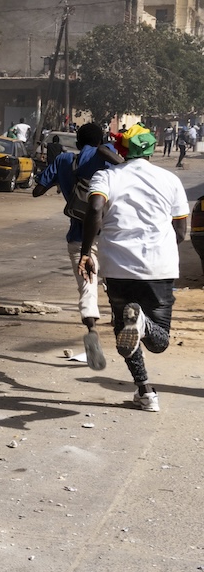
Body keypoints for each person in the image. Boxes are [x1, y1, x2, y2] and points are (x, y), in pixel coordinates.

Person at [77, 126, 189, 412]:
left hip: (118, 266)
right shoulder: (170, 179)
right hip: (160, 267)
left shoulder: (106, 176)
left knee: (123, 330)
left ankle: (145, 390)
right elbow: (180, 230)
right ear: (151, 149)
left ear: (121, 150)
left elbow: (94, 210)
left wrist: (86, 252)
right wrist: (161, 249)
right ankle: (143, 329)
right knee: (158, 341)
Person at [33, 123, 122, 370]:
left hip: (78, 238)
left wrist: (60, 178)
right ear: (100, 140)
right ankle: (120, 321)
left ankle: (92, 330)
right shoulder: (107, 155)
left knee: (87, 287)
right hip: (110, 235)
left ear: (78, 142)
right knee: (116, 281)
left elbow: (37, 191)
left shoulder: (64, 160)